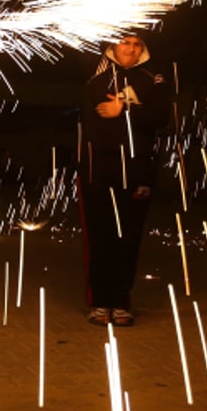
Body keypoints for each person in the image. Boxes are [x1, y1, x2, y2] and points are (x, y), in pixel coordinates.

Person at [77, 32, 172, 326]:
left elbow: (161, 116)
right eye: (124, 42)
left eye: (136, 44)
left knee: (128, 239)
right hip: (99, 170)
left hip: (137, 170)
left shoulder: (152, 78)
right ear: (112, 46)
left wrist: (125, 110)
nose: (130, 49)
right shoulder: (97, 77)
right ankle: (100, 302)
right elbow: (92, 120)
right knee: (101, 237)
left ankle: (121, 302)